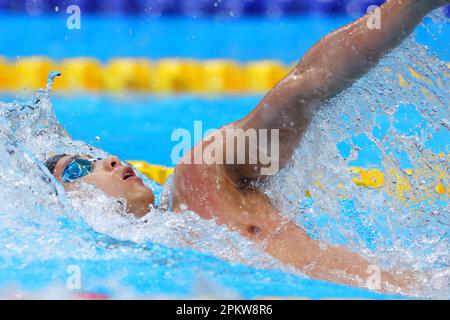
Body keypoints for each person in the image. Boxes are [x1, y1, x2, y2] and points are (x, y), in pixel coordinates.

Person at [45, 0, 449, 292]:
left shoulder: (202, 178)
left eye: (99, 157)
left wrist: (411, 6)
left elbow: (306, 86)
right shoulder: (113, 277)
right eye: (81, 170)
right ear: (65, 208)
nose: (111, 160)